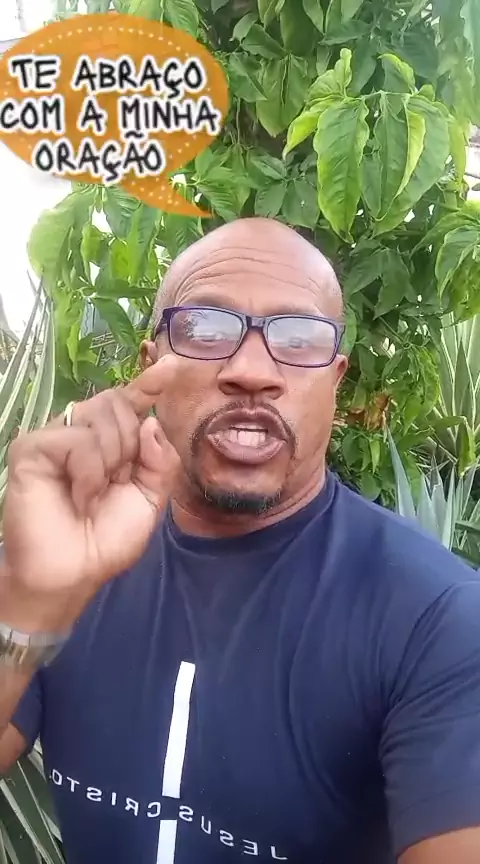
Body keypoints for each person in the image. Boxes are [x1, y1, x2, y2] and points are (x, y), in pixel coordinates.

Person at [1, 216, 480, 864]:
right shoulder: (74, 563)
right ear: (152, 366)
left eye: (299, 338)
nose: (252, 371)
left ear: (335, 381)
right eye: (206, 329)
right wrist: (33, 601)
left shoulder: (438, 619)